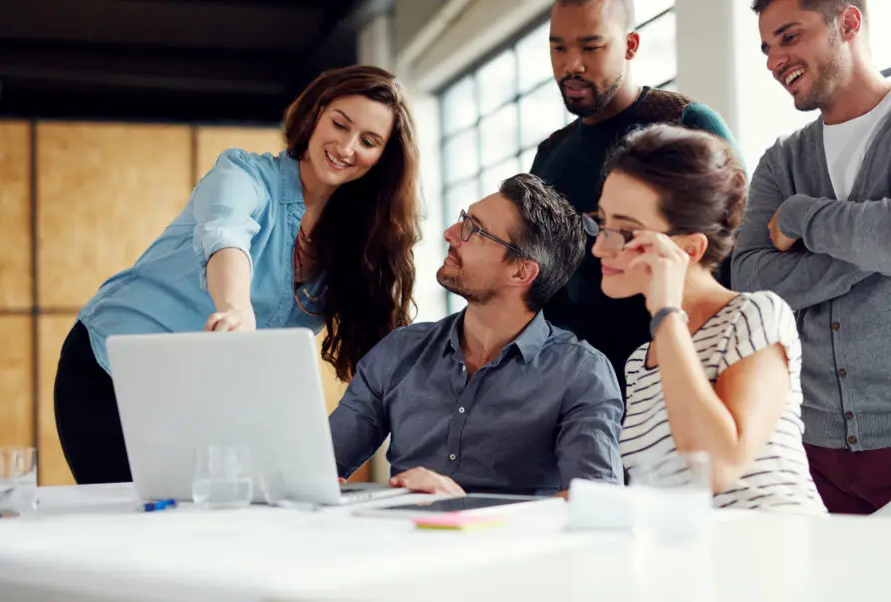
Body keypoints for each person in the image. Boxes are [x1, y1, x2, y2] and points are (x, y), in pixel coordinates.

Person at [54, 66, 421, 485]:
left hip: (204, 398)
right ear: (317, 114)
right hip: (111, 373)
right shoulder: (244, 174)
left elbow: (372, 367)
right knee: (130, 522)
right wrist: (235, 308)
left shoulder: (360, 239)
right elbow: (224, 233)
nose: (347, 146)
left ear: (384, 158)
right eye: (340, 123)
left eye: (369, 141)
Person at [732, 0, 891, 514]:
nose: (773, 60)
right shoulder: (782, 160)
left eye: (789, 37)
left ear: (848, 22)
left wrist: (800, 216)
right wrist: (881, 243)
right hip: (812, 451)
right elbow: (751, 279)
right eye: (766, 48)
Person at [328, 174, 624, 496]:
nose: (450, 234)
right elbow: (319, 465)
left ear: (521, 271)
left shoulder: (581, 374)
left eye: (474, 230)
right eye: (463, 220)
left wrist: (465, 508)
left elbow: (598, 504)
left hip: (509, 547)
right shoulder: (400, 351)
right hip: (400, 541)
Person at [591, 123, 825, 513]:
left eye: (626, 232)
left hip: (778, 552)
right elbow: (664, 493)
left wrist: (667, 313)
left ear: (690, 248)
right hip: (698, 559)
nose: (600, 247)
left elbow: (717, 468)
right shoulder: (640, 361)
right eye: (601, 223)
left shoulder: (754, 316)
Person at [530, 0, 741, 392]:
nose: (571, 65)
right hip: (581, 395)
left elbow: (739, 254)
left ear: (630, 45)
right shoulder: (548, 155)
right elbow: (545, 285)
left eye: (591, 47)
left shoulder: (685, 123)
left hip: (681, 378)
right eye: (558, 48)